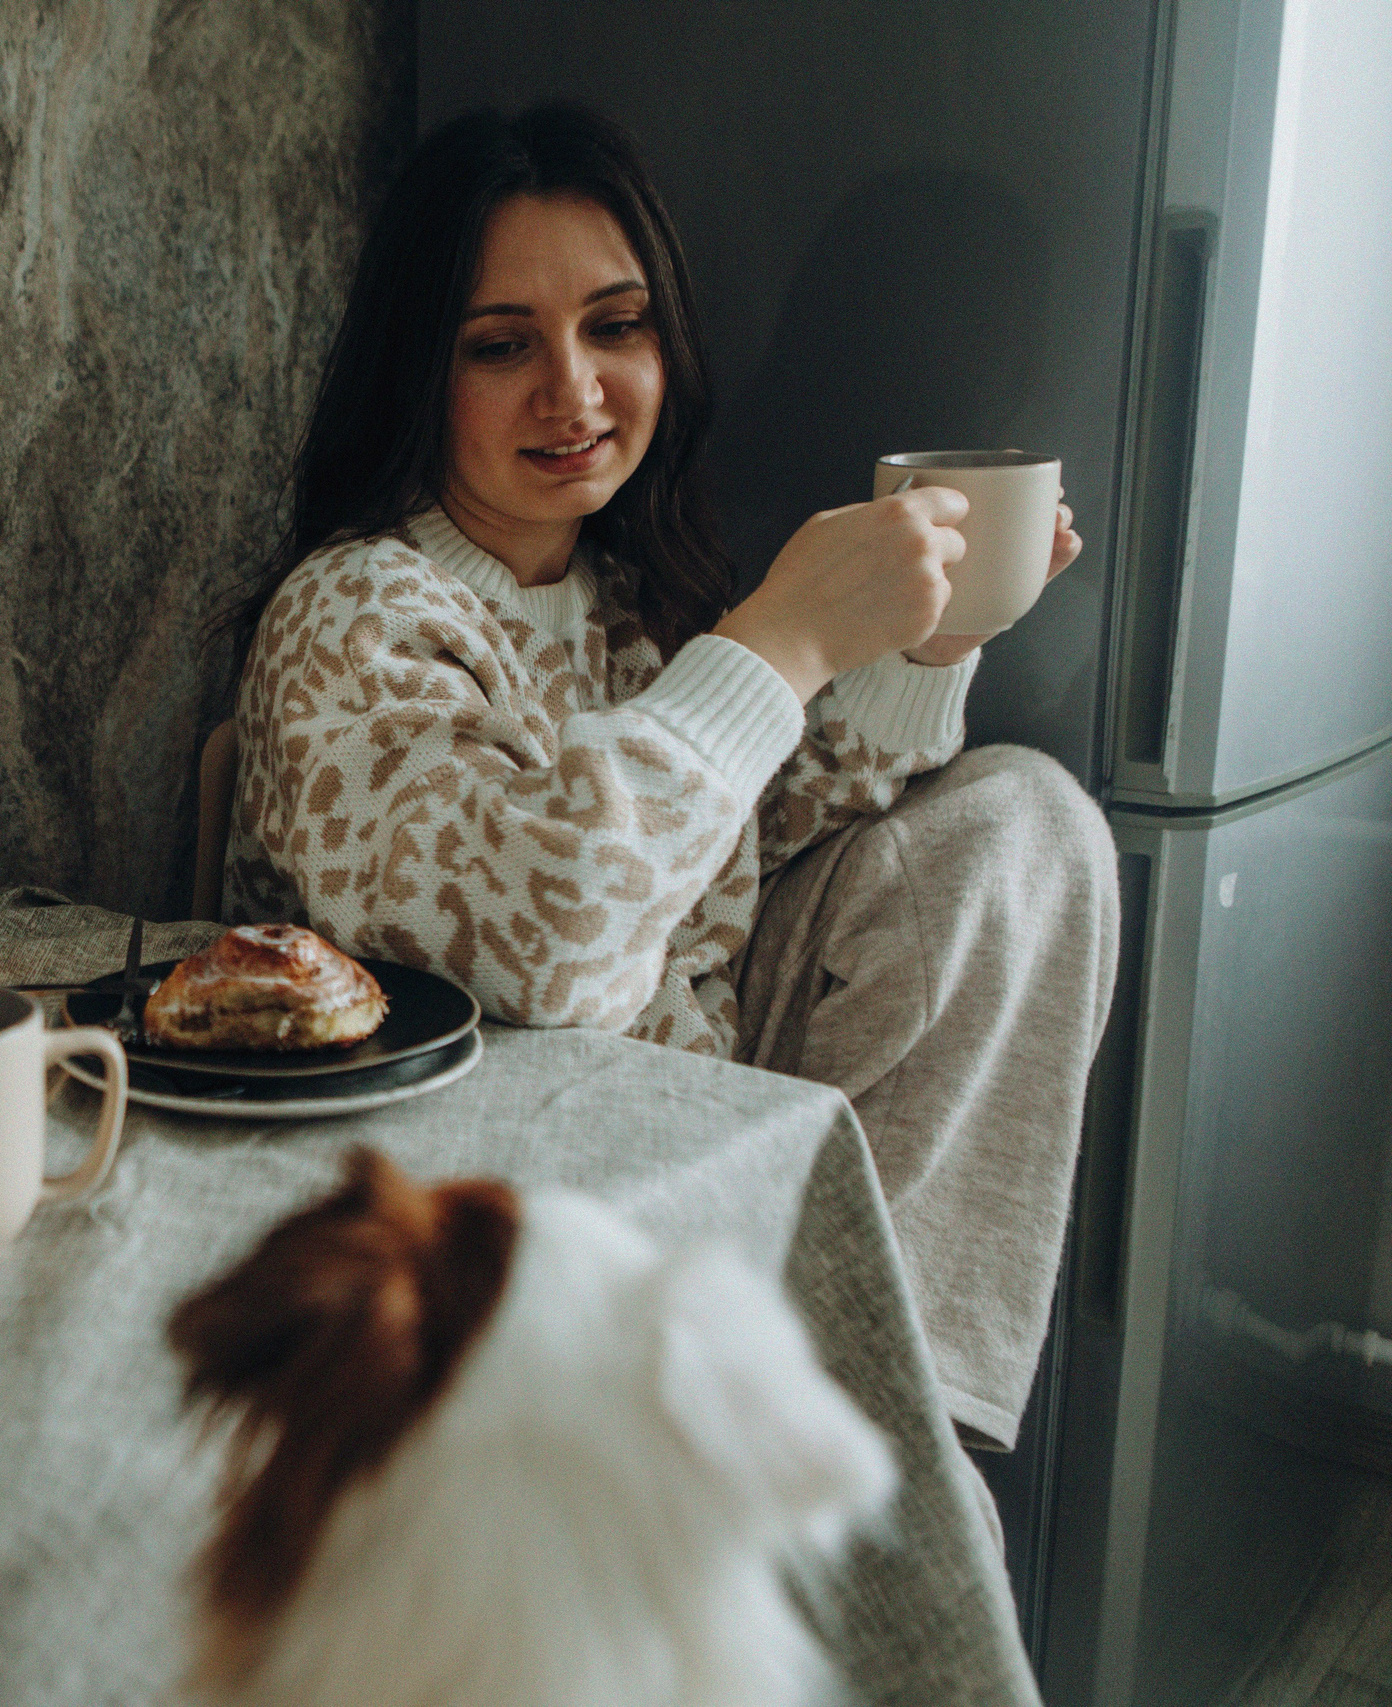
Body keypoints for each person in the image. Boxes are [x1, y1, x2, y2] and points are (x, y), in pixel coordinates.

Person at [221, 103, 1117, 1455]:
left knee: (1023, 824)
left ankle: (896, 1399)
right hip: (496, 1204)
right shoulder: (350, 615)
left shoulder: (626, 595)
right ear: (421, 369)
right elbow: (551, 952)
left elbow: (750, 823)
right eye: (500, 344)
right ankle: (853, 1440)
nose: (573, 392)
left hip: (707, 1132)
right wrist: (785, 635)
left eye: (615, 326)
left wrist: (924, 646)